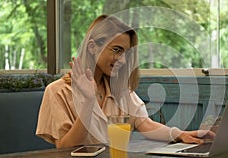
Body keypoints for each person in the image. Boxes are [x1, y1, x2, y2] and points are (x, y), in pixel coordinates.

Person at [36, 14, 215, 148]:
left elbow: (144, 123)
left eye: (126, 54)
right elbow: (65, 147)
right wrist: (89, 102)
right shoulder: (57, 91)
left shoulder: (119, 89)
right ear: (92, 47)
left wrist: (180, 134)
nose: (122, 60)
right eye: (117, 50)